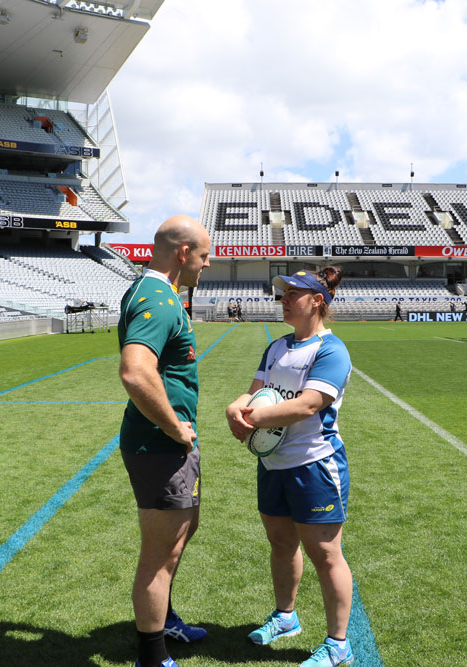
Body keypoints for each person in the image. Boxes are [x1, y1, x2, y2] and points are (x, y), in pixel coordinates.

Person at [226, 266, 355, 667]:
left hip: (315, 464)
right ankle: (286, 618)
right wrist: (235, 407)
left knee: (326, 553)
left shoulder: (331, 351)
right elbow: (255, 393)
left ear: (317, 300)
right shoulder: (277, 347)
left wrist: (251, 420)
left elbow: (308, 404)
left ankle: (338, 645)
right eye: (281, 292)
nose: (282, 298)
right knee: (281, 544)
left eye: (292, 293)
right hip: (273, 463)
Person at [118, 215, 211, 667]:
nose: (207, 265)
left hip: (165, 445)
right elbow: (136, 371)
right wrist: (176, 428)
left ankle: (165, 618)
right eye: (205, 255)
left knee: (181, 533)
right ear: (183, 252)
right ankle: (151, 659)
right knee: (159, 554)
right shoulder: (160, 298)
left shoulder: (156, 292)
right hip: (160, 446)